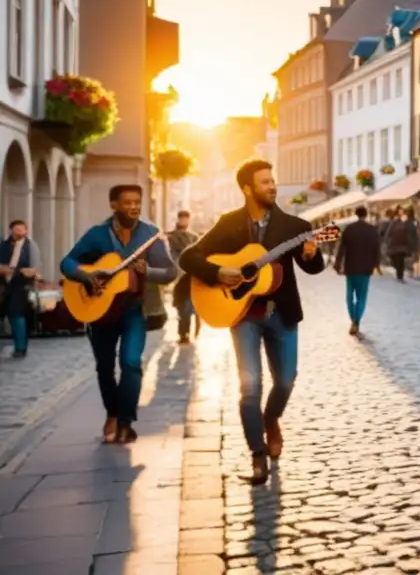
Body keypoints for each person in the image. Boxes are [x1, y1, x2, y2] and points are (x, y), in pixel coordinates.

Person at [179, 160, 325, 484]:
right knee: (250, 387)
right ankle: (257, 455)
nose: (272, 186)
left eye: (273, 181)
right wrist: (218, 273)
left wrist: (312, 255)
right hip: (241, 314)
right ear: (248, 189)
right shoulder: (228, 224)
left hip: (281, 313)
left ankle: (270, 418)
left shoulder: (295, 226)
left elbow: (314, 267)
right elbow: (187, 257)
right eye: (265, 182)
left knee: (286, 381)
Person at [59, 185, 177, 443]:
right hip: (100, 313)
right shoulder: (97, 234)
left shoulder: (150, 234)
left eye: (137, 202)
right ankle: (112, 412)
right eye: (127, 202)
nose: (134, 207)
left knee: (131, 363)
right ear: (114, 204)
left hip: (133, 310)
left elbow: (170, 272)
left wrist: (148, 271)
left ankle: (126, 422)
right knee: (104, 367)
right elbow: (66, 262)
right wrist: (86, 276)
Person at [334, 206, 380, 336]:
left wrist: (338, 264)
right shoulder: (372, 230)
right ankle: (357, 319)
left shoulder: (349, 229)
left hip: (351, 268)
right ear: (366, 215)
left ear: (356, 214)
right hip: (366, 269)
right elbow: (377, 249)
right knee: (362, 296)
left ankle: (353, 318)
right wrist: (376, 264)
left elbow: (341, 248)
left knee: (349, 296)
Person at [0, 220, 42, 358]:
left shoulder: (30, 246)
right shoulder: (4, 245)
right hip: (4, 284)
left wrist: (30, 272)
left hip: (22, 284)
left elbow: (35, 268)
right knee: (9, 314)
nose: (21, 232)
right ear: (11, 230)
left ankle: (21, 347)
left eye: (23, 229)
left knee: (17, 314)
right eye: (17, 229)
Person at [166, 210, 200, 344]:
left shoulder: (193, 237)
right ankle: (183, 333)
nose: (184, 221)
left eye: (186, 219)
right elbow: (170, 255)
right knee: (183, 307)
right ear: (179, 220)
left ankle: (187, 332)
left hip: (192, 276)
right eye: (182, 219)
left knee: (190, 306)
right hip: (179, 276)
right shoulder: (171, 237)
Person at [385, 207, 417, 283]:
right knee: (395, 260)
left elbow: (412, 233)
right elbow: (389, 232)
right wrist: (387, 241)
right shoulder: (394, 222)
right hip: (394, 245)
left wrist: (411, 245)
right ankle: (398, 273)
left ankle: (400, 276)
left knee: (400, 260)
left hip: (403, 245)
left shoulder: (408, 222)